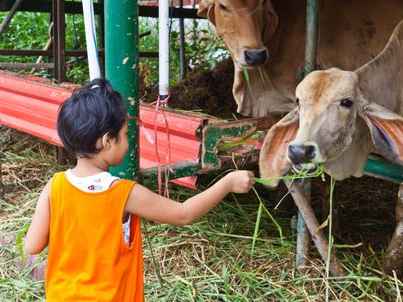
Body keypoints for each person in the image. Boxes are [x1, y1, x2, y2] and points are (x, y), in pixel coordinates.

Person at [24, 78, 255, 301]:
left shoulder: (55, 186)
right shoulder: (123, 193)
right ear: (106, 141)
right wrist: (227, 183)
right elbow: (183, 213)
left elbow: (32, 245)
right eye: (125, 135)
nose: (127, 142)